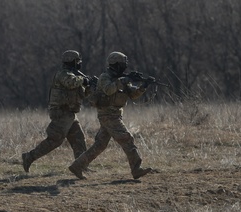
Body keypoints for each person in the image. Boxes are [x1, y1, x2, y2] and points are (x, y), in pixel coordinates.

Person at [69, 51, 154, 180]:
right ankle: (136, 169)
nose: (124, 67)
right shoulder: (105, 77)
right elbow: (109, 90)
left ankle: (77, 166)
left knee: (100, 145)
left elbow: (133, 95)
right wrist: (124, 80)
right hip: (108, 115)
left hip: (114, 115)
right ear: (115, 64)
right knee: (127, 139)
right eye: (122, 64)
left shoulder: (122, 79)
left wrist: (143, 86)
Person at [21, 50, 95, 173]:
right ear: (73, 62)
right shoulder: (63, 74)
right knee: (55, 140)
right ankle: (29, 157)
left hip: (69, 114)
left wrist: (90, 87)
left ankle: (81, 166)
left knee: (78, 139)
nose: (79, 63)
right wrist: (84, 80)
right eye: (78, 61)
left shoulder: (74, 75)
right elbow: (71, 82)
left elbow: (82, 94)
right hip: (61, 113)